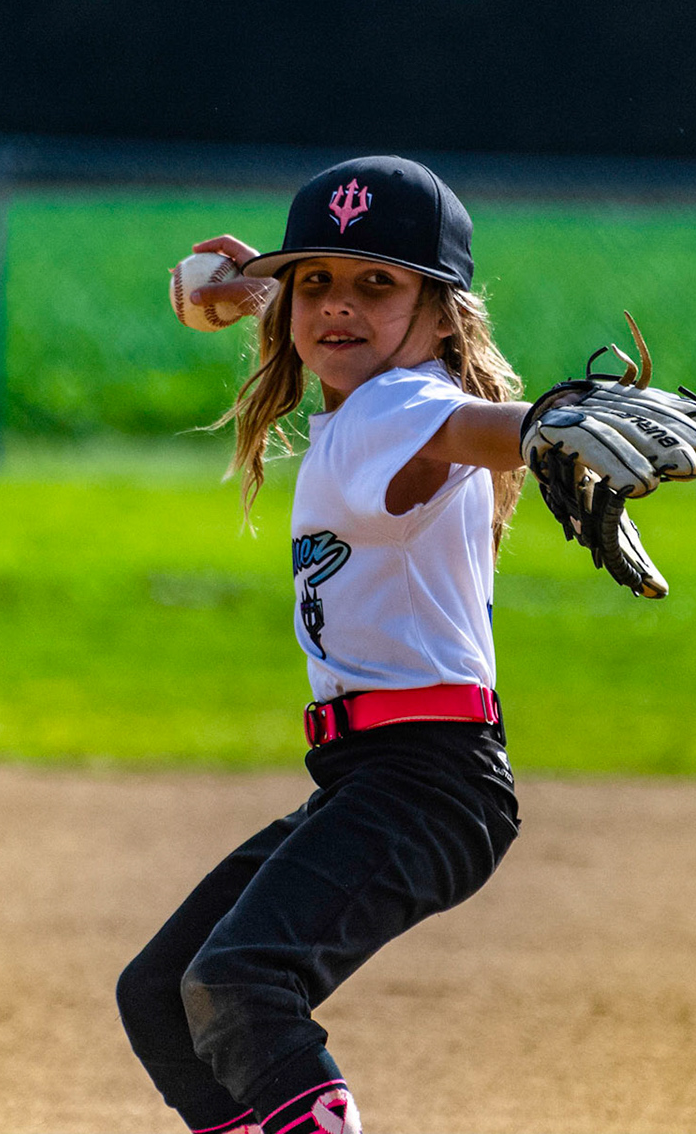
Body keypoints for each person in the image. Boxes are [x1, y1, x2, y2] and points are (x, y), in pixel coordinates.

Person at [115, 155, 532, 1134]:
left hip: (428, 779)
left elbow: (471, 428)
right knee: (164, 994)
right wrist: (264, 290)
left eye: (377, 282)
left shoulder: (395, 407)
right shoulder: (373, 399)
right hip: (375, 776)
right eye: (318, 282)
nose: (339, 304)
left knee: (241, 979)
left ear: (443, 317)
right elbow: (359, 340)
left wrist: (549, 425)